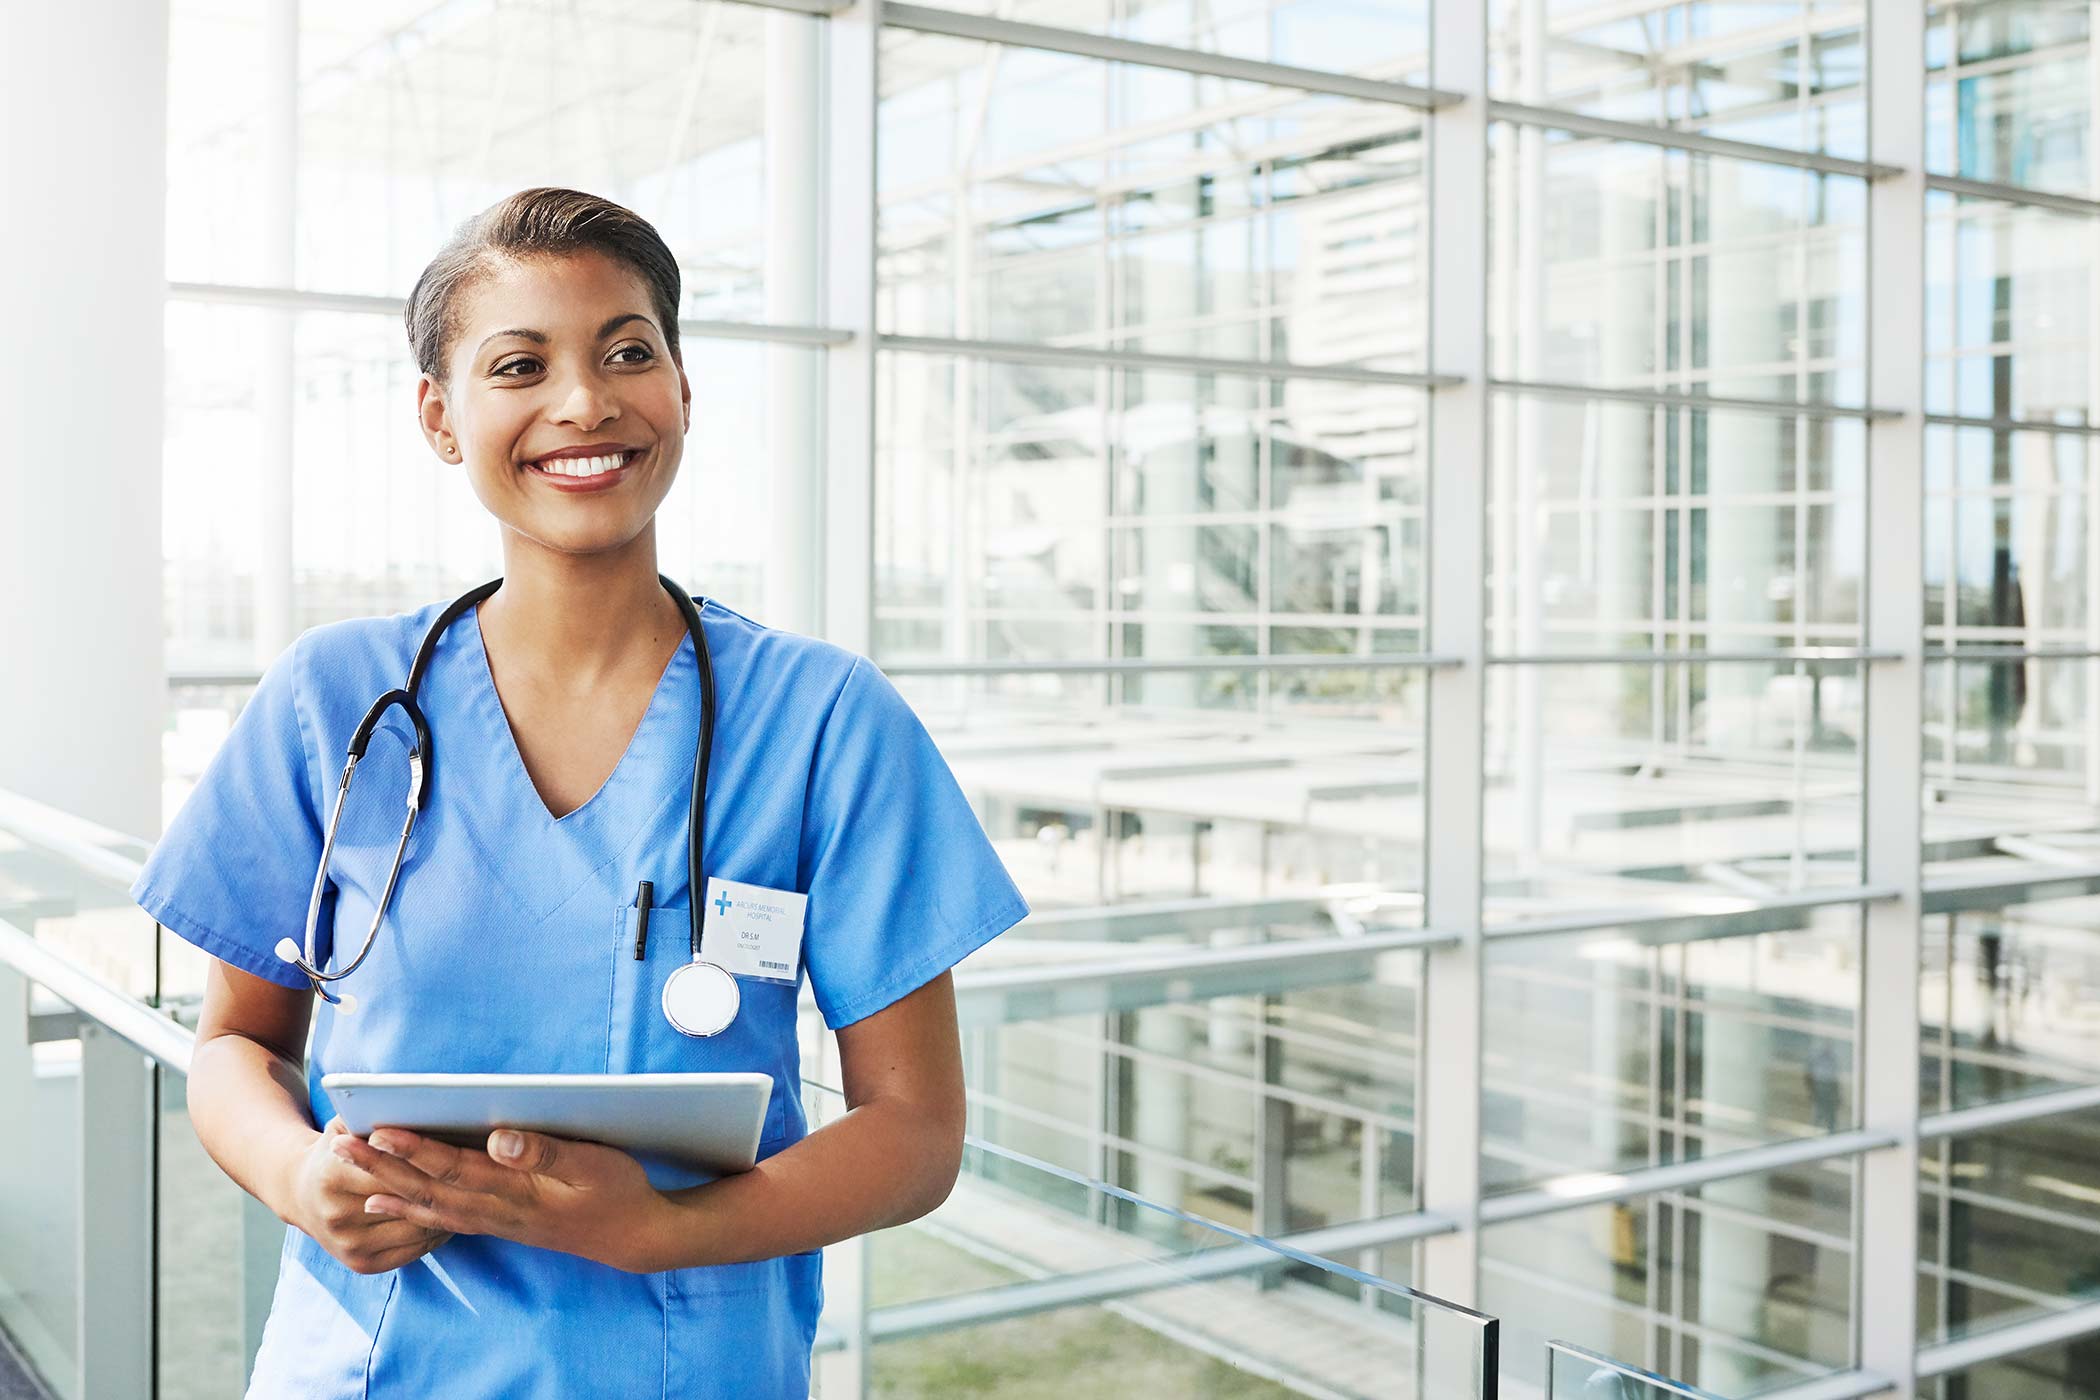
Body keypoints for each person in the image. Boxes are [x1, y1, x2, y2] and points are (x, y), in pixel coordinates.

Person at [128, 187, 1030, 1398]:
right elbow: (238, 1042)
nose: (585, 401)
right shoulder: (333, 696)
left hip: (689, 1363)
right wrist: (300, 1178)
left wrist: (662, 1231)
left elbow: (916, 1134)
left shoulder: (826, 719)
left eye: (627, 350)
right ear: (441, 417)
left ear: (683, 388)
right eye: (520, 364)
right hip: (369, 1363)